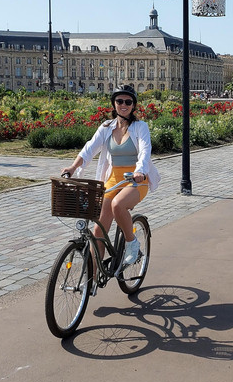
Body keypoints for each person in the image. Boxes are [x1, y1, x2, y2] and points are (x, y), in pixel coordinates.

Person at [61, 85, 161, 280]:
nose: (123, 105)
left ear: (134, 105)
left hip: (136, 180)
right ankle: (91, 279)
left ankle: (132, 243)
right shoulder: (106, 127)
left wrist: (140, 171)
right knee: (98, 231)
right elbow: (89, 148)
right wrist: (73, 168)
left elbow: (144, 151)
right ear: (114, 104)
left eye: (128, 102)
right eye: (119, 101)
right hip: (113, 179)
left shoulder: (141, 127)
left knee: (118, 205)